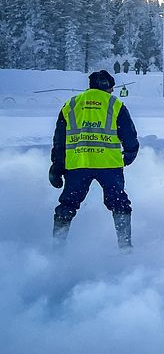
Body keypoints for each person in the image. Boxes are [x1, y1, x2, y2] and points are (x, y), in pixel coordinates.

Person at [48, 70, 140, 250]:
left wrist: (56, 167)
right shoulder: (115, 104)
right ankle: (125, 248)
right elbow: (129, 136)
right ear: (109, 87)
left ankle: (57, 248)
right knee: (119, 204)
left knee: (67, 205)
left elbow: (59, 141)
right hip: (109, 166)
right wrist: (129, 155)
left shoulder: (71, 105)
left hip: (78, 165)